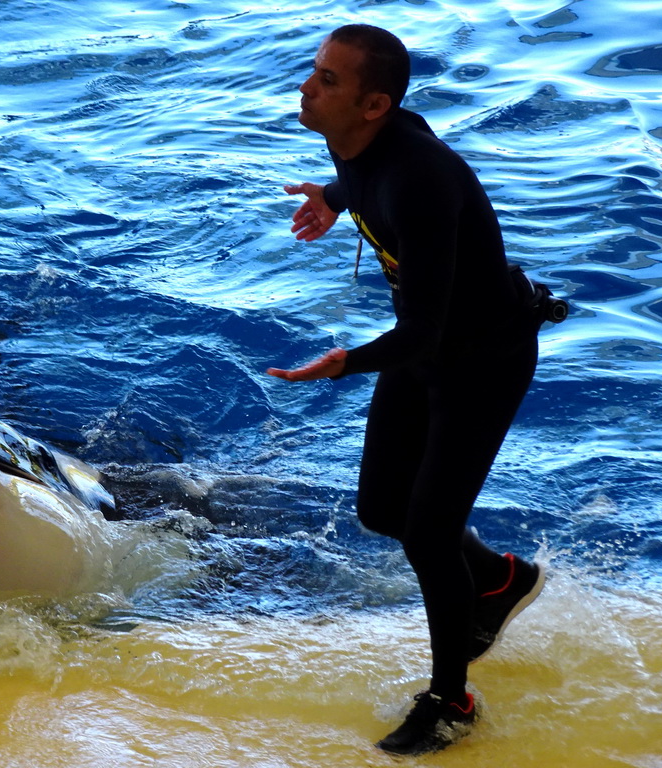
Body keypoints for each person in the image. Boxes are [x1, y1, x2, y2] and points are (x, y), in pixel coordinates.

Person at [266, 24, 547, 756]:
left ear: (373, 103)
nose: (307, 86)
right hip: (429, 353)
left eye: (328, 79)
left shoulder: (419, 178)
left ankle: (452, 700)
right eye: (314, 71)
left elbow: (421, 329)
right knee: (382, 508)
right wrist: (331, 198)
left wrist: (345, 363)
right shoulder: (359, 142)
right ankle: (498, 577)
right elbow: (364, 177)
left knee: (426, 530)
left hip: (484, 359)